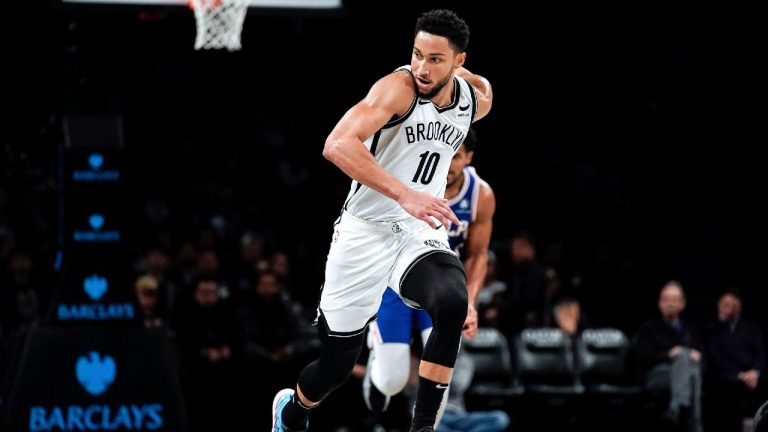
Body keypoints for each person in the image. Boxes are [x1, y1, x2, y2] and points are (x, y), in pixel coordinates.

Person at [271, 8, 493, 432]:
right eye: (417, 54)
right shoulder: (397, 89)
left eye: (435, 59)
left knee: (452, 301)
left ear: (459, 61)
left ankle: (422, 427)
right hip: (364, 232)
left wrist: (413, 204)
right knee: (336, 366)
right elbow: (337, 144)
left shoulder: (475, 99)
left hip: (415, 231)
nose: (422, 68)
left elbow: (480, 89)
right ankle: (292, 411)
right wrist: (404, 194)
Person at [361, 128, 496, 420]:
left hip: (441, 287)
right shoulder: (406, 180)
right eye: (444, 154)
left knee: (442, 371)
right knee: (392, 381)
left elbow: (478, 255)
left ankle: (426, 426)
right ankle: (376, 365)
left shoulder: (480, 194)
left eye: (456, 156)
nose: (447, 163)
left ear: (469, 158)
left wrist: (470, 301)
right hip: (395, 284)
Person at [635, 280, 704, 432]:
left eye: (674, 299)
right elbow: (645, 357)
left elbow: (702, 358)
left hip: (683, 376)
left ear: (682, 303)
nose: (670, 303)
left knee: (691, 370)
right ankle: (695, 424)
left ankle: (674, 410)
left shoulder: (691, 330)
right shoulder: (648, 328)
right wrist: (670, 355)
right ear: (659, 303)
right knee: (688, 366)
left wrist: (693, 356)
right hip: (657, 376)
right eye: (666, 299)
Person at [704, 288, 765, 432]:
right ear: (719, 305)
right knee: (728, 388)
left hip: (752, 376)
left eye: (734, 305)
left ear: (740, 307)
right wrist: (739, 375)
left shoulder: (751, 328)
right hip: (725, 376)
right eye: (726, 304)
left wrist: (755, 372)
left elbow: (760, 354)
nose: (730, 308)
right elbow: (714, 358)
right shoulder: (710, 329)